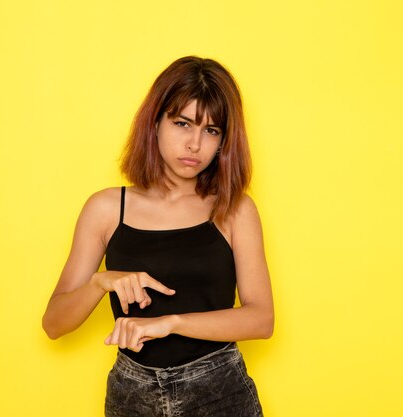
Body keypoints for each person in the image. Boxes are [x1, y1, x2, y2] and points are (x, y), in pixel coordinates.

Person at [42, 56, 274, 417]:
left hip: (219, 390)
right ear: (155, 123)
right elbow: (54, 324)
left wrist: (172, 323)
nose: (195, 144)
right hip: (132, 394)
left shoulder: (234, 209)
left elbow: (261, 319)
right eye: (183, 123)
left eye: (211, 130)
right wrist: (99, 282)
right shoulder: (105, 209)